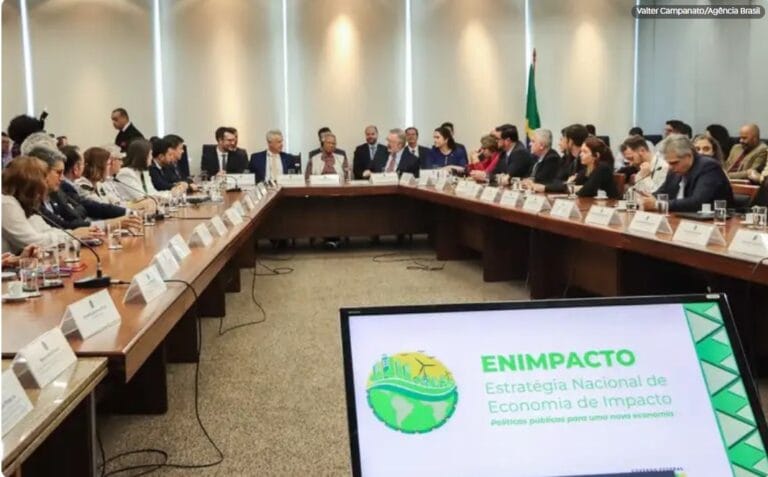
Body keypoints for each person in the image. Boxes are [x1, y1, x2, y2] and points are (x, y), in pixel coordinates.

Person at [2, 157, 94, 253]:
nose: (45, 186)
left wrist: (74, 234)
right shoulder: (7, 203)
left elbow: (46, 230)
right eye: (43, 180)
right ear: (30, 184)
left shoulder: (24, 203)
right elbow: (33, 242)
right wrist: (73, 236)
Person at [641, 134, 734, 213]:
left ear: (689, 156)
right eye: (668, 163)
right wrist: (646, 199)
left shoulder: (708, 167)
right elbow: (662, 193)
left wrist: (658, 204)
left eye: (674, 163)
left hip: (715, 222)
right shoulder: (674, 169)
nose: (670, 167)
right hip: (683, 219)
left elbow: (697, 202)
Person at [523, 128, 567, 192]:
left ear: (542, 145)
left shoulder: (552, 159)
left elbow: (540, 181)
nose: (530, 144)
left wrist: (530, 182)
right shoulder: (535, 157)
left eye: (533, 141)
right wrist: (527, 181)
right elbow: (527, 177)